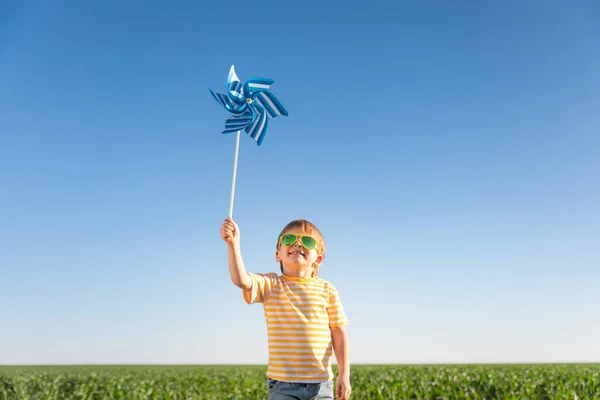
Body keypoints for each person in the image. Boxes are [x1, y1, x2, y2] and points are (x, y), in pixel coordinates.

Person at [221, 217, 351, 400]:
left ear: (318, 259)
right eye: (289, 239)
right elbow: (240, 279)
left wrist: (344, 374)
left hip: (322, 385)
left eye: (307, 241)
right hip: (283, 385)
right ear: (277, 254)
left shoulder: (327, 289)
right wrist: (233, 244)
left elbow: (338, 332)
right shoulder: (271, 284)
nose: (298, 243)